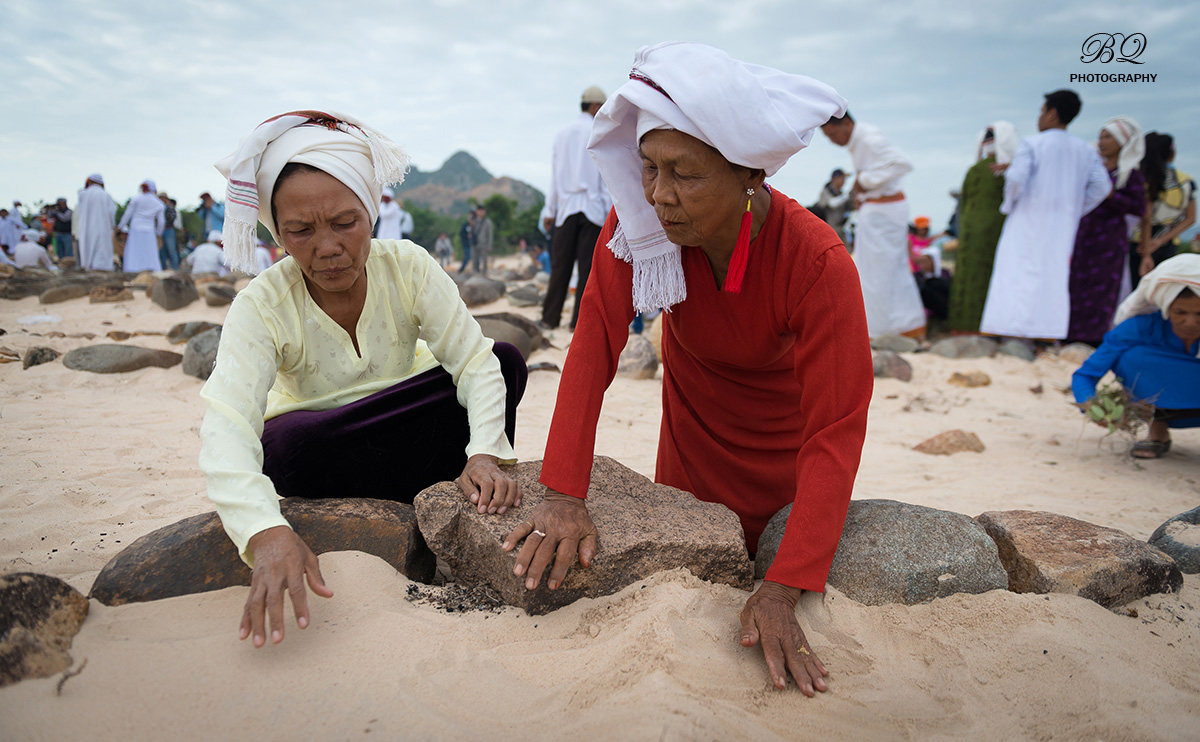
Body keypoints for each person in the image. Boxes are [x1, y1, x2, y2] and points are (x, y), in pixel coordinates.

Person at [507, 43, 870, 695]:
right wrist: (563, 494)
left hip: (790, 474)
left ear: (751, 178)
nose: (660, 195)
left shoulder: (817, 263)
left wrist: (785, 586)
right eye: (648, 167)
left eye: (684, 174)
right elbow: (592, 349)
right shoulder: (639, 228)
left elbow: (835, 430)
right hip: (689, 464)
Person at [201, 110, 527, 649]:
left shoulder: (409, 265)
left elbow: (473, 360)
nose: (327, 247)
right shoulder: (261, 302)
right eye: (300, 231)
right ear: (276, 234)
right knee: (284, 440)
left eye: (345, 222)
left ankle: (439, 485)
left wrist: (486, 451)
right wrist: (265, 531)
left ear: (371, 215)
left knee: (506, 358)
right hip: (328, 440)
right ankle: (411, 499)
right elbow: (228, 422)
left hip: (406, 411)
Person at [980, 90, 1111, 341]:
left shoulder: (1032, 143)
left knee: (1016, 271)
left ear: (1052, 113)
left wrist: (1009, 204)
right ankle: (1046, 332)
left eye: (1041, 111)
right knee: (1052, 274)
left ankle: (1011, 331)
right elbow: (1102, 187)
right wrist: (1075, 209)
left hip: (1026, 218)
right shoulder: (1085, 149)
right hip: (1062, 225)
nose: (1039, 117)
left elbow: (1016, 178)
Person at [1072, 254, 1200, 459]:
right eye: (1180, 312)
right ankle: (1158, 428)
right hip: (1159, 404)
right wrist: (1092, 406)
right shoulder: (1139, 328)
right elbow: (1085, 374)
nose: (1190, 322)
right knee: (1131, 358)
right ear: (1166, 308)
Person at [821, 112, 925, 339]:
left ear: (846, 124)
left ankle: (880, 329)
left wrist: (864, 181)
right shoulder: (859, 140)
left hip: (885, 212)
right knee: (877, 270)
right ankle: (898, 325)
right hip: (877, 209)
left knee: (879, 272)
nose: (832, 141)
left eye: (832, 134)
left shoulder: (868, 138)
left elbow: (903, 164)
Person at [1066, 116, 1147, 346]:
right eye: (1101, 136)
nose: (1102, 142)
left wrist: (1111, 195)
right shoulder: (1094, 169)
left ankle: (1094, 338)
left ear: (1123, 141)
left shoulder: (1130, 174)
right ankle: (1070, 335)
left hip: (1109, 238)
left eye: (1108, 137)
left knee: (1102, 287)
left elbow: (1138, 207)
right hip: (1084, 233)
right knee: (1076, 283)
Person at [540, 85, 612, 330]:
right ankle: (577, 323)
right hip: (592, 208)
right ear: (595, 107)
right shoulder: (599, 130)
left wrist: (550, 211)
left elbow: (555, 177)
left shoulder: (562, 134)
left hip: (567, 208)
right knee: (586, 270)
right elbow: (605, 177)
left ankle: (549, 319)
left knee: (560, 266)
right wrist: (610, 213)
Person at [947, 122, 1017, 334]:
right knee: (987, 277)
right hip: (994, 233)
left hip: (969, 234)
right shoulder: (1007, 171)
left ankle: (962, 325)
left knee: (967, 278)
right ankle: (986, 328)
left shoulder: (974, 170)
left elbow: (964, 203)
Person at [1133, 133, 1195, 287]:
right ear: (1171, 154)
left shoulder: (1142, 179)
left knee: (1138, 294)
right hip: (1169, 244)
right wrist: (1160, 241)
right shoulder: (1185, 181)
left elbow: (1146, 218)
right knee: (1164, 291)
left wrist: (1147, 251)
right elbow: (1190, 218)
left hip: (1138, 244)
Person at [118, 179, 166, 272]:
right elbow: (161, 222)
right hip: (149, 228)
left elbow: (127, 215)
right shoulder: (158, 203)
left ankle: (132, 268)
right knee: (149, 250)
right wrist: (159, 233)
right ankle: (151, 267)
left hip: (136, 227)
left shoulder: (136, 199)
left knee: (134, 249)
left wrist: (120, 227)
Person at [73, 173, 117, 270]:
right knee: (101, 247)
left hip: (86, 227)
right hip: (102, 226)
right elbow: (111, 212)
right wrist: (112, 225)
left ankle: (88, 265)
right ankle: (101, 266)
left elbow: (79, 212)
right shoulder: (106, 195)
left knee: (87, 246)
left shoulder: (82, 194)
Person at [814, 169, 851, 246]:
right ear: (834, 179)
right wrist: (847, 195)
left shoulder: (842, 194)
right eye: (842, 178)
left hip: (841, 230)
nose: (844, 181)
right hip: (828, 230)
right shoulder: (825, 192)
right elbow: (832, 204)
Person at [159, 192, 181, 269]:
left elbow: (171, 218)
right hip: (160, 231)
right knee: (162, 251)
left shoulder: (170, 208)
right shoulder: (157, 207)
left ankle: (175, 267)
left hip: (168, 230)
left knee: (172, 250)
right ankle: (163, 267)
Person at [471, 203, 493, 275]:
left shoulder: (487, 222)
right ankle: (475, 272)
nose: (480, 212)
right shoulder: (473, 221)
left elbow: (490, 234)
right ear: (476, 211)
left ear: (484, 212)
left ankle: (484, 272)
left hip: (484, 243)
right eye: (479, 210)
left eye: (482, 210)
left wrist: (489, 246)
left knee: (484, 259)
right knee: (475, 259)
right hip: (474, 243)